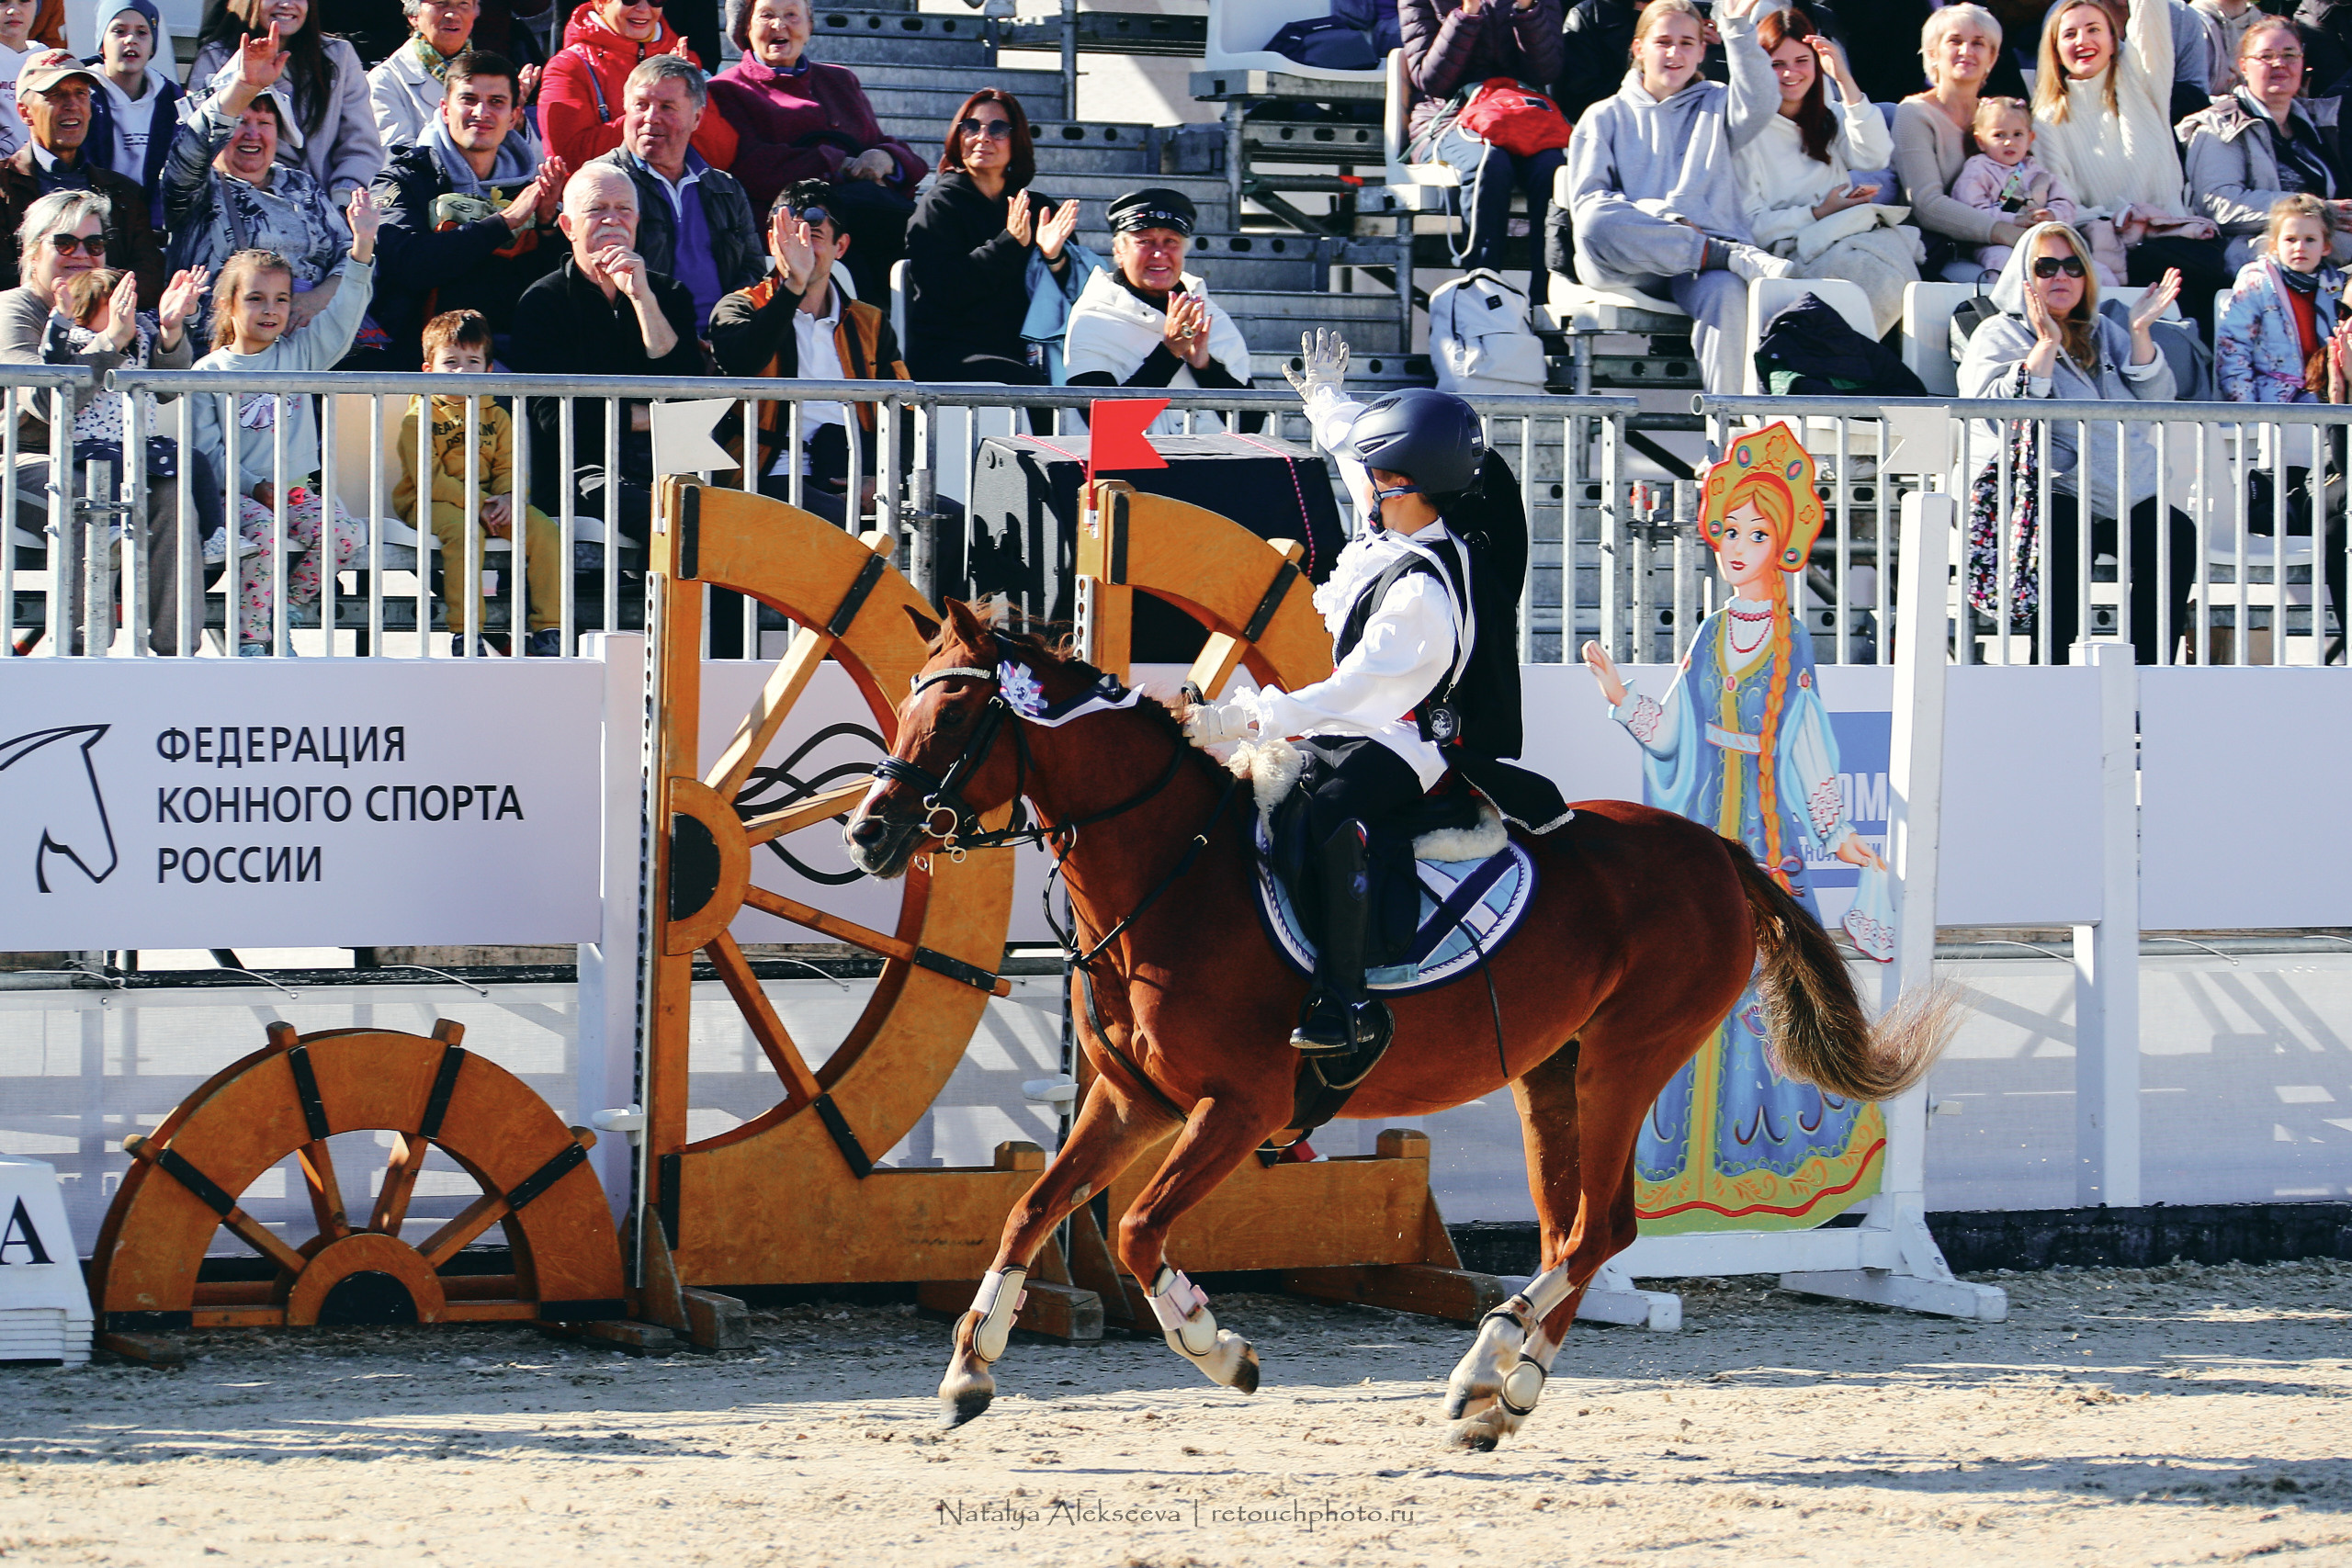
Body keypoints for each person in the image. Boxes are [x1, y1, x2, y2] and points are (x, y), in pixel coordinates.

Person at [1182, 332, 1570, 1054]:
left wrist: (1240, 718)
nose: (1369, 484)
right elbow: (1347, 455)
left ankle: (1346, 996)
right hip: (1369, 718)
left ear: (1415, 486)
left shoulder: (1421, 593)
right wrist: (1326, 396)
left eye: (1383, 476)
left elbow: (1353, 695)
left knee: (1329, 813)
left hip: (1412, 736)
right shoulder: (1395, 514)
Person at [1581, 421, 1891, 1230]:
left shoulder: (1791, 639)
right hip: (1697, 826)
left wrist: (1835, 831)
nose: (1737, 546)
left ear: (1784, 544)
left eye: (1756, 532)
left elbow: (1808, 739)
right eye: (1729, 532)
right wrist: (1624, 700)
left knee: (1762, 989)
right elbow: (1680, 729)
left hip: (1760, 834)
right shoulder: (1713, 631)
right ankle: (1664, 1178)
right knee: (1676, 980)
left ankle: (1771, 1171)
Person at [1958, 220, 2195, 665]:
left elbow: (2157, 398)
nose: (2061, 277)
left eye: (2072, 266)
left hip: (2122, 486)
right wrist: (2045, 345)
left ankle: (2149, 677)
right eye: (2046, 267)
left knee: (2175, 535)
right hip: (2047, 489)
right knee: (2063, 530)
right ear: (2024, 278)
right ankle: (2054, 679)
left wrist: (2141, 331)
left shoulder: (2105, 328)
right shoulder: (1998, 333)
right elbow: (1992, 415)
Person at [0, 193, 208, 652]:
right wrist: (112, 340)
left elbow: (167, 388)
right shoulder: (14, 308)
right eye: (66, 243)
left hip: (109, 456)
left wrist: (171, 333)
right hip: (27, 459)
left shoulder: (108, 302)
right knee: (79, 490)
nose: (82, 256)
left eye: (94, 245)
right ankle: (79, 654)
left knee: (173, 491)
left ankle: (177, 654)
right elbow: (42, 400)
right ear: (34, 252)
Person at [1564, 0, 1793, 395]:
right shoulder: (1602, 116)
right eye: (1663, 41)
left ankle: (1729, 436)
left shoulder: (1718, 102)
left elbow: (1761, 100)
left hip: (1701, 272)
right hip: (1632, 265)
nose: (1675, 53)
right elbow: (1589, 202)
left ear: (1703, 50)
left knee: (1726, 292)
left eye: (1688, 42)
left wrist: (1736, 28)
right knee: (1593, 222)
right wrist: (1661, 217)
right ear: (1638, 49)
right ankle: (1723, 253)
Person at [188, 188, 381, 655]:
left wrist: (362, 248)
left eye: (280, 298)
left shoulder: (301, 355)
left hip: (297, 490)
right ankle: (251, 640)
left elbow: (343, 317)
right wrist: (254, 487)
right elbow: (208, 455)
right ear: (229, 306)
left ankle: (283, 614)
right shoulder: (208, 373)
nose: (271, 309)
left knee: (343, 535)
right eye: (256, 298)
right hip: (236, 496)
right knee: (267, 539)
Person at [504, 162, 702, 561]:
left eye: (624, 209)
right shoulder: (542, 303)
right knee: (674, 521)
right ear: (567, 226)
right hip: (580, 474)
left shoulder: (668, 294)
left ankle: (712, 627)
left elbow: (692, 395)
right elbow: (554, 419)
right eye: (597, 210)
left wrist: (643, 299)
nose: (613, 220)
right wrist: (649, 418)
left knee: (723, 521)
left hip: (669, 465)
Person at [709, 179, 908, 523]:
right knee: (834, 518)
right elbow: (740, 361)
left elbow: (905, 407)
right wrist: (793, 288)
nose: (800, 248)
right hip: (767, 475)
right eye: (790, 236)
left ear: (840, 246)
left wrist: (882, 477)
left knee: (950, 520)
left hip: (857, 472)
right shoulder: (739, 307)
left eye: (813, 236)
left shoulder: (870, 322)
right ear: (772, 241)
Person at [2030, 0, 2230, 333]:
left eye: (2094, 30)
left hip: (2178, 245)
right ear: (2054, 48)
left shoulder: (2140, 83)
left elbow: (2151, 21)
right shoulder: (2046, 120)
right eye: (2070, 34)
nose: (2083, 41)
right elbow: (2063, 209)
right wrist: (2121, 220)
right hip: (2114, 256)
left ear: (2113, 40)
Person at [705, 0, 922, 306]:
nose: (780, 25)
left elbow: (887, 144)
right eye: (766, 15)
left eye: (791, 15)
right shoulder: (726, 90)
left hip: (868, 220)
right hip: (796, 231)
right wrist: (838, 164)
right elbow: (750, 166)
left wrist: (886, 158)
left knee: (929, 245)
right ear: (746, 29)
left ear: (809, 27)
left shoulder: (840, 80)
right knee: (850, 269)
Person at [2212, 193, 2352, 650]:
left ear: (2326, 245)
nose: (2300, 247)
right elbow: (2232, 346)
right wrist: (2244, 407)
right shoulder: (2256, 281)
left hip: (2321, 398)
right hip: (2272, 400)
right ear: (2274, 242)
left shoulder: (2335, 288)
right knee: (2280, 472)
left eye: (2310, 239)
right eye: (2290, 238)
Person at [1734, 6, 1918, 337]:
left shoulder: (1829, 116)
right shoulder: (1747, 134)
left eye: (1801, 62)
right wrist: (1819, 213)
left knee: (1899, 276)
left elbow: (1875, 155)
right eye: (1778, 64)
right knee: (1870, 278)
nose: (1791, 74)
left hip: (1847, 234)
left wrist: (1844, 80)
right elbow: (1752, 228)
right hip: (1791, 254)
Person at [368, 48, 562, 363]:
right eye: (469, 99)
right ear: (444, 110)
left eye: (496, 102)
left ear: (515, 115)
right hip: (421, 364)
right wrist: (503, 222)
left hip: (515, 360)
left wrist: (546, 225)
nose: (481, 112)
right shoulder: (405, 178)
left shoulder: (533, 187)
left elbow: (551, 288)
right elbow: (408, 265)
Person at [164, 31, 355, 341]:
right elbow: (191, 148)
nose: (252, 134)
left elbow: (350, 254)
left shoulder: (300, 185)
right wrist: (244, 86)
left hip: (309, 353)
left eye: (264, 123)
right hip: (225, 357)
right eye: (241, 121)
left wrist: (317, 299)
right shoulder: (197, 188)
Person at [398, 309, 562, 655]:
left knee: (545, 530)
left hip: (489, 504)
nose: (461, 371)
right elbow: (430, 479)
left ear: (489, 370)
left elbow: (510, 467)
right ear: (428, 371)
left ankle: (550, 627)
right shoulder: (419, 416)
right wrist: (480, 504)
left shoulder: (498, 415)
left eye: (473, 361)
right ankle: (466, 632)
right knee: (464, 533)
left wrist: (507, 497)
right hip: (432, 502)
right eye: (450, 362)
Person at [902, 87, 1078, 385]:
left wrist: (1054, 256)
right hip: (951, 351)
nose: (982, 137)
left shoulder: (1038, 209)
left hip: (1032, 350)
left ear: (1016, 140)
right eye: (971, 126)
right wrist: (1009, 244)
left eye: (997, 129)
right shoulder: (940, 204)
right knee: (1031, 388)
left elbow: (1077, 290)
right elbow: (943, 290)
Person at [1399, 0, 1565, 302]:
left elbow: (1548, 69)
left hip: (1519, 116)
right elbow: (1431, 79)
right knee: (1489, 161)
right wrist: (1467, 13)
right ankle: (1483, 300)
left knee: (1553, 169)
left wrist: (1527, 10)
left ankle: (1546, 305)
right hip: (1447, 118)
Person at [592, 53, 757, 327]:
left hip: (723, 340)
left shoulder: (725, 188)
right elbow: (600, 281)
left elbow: (751, 270)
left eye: (667, 107)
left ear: (697, 117)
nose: (651, 118)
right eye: (641, 105)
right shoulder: (603, 182)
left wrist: (727, 333)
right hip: (643, 343)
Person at [1063, 187, 1250, 425]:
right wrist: (1170, 352)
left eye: (1171, 241)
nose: (1159, 253)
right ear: (1119, 251)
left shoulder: (1210, 315)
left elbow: (1250, 424)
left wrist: (1205, 367)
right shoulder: (1094, 318)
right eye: (1145, 241)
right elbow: (1105, 425)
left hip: (1208, 460)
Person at [2182, 17, 2352, 270]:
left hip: (2325, 249)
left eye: (2289, 54)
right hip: (2260, 256)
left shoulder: (2319, 122)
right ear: (2243, 67)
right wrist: (2316, 211)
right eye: (2266, 56)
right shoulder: (2219, 125)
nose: (2280, 64)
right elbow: (2219, 205)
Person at [0, 48, 162, 300]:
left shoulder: (124, 193)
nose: (72, 105)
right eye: (57, 95)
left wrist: (90, 298)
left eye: (81, 94)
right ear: (24, 112)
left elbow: (150, 277)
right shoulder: (4, 186)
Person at [191, 0, 386, 202]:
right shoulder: (216, 57)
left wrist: (341, 204)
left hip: (329, 209)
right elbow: (198, 143)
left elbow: (361, 147)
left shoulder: (339, 56)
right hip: (243, 206)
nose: (286, 4)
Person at [1894, 4, 2030, 282]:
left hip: (2008, 242)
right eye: (1955, 41)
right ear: (1933, 53)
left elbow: (2019, 178)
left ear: (1992, 58)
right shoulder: (1914, 113)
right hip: (1942, 256)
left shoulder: (2001, 116)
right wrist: (2003, 231)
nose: (1967, 51)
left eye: (1978, 44)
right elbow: (1926, 204)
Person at [1953, 96, 2120, 284]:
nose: (2009, 142)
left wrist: (2052, 215)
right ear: (1981, 141)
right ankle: (2007, 305)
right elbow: (1971, 213)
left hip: (2043, 242)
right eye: (1999, 135)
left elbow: (2066, 204)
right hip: (1995, 243)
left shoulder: (2036, 172)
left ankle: (2101, 304)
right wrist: (2014, 219)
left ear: (2030, 138)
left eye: (2017, 134)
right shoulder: (1978, 170)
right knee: (2003, 262)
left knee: (2095, 270)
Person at [537, 0, 722, 171]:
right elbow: (568, 159)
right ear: (601, 4)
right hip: (607, 200)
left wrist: (685, 106)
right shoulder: (568, 66)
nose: (643, 9)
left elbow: (720, 153)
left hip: (676, 198)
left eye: (655, 0)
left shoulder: (683, 61)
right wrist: (657, 111)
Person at [368, 0, 537, 149]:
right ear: (414, 16)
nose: (452, 14)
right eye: (440, 3)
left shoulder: (495, 75)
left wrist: (514, 120)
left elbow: (533, 163)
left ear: (475, 14)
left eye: (463, 4)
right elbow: (397, 161)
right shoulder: (384, 81)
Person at [81, 0, 180, 230]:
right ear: (101, 44)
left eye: (142, 32)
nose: (131, 39)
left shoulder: (170, 100)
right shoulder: (82, 94)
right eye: (119, 31)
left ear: (153, 45)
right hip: (96, 221)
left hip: (152, 226)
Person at [0, 0, 44, 162]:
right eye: (2, 2)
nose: (13, 10)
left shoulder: (46, 58)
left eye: (24, 1)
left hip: (39, 175)